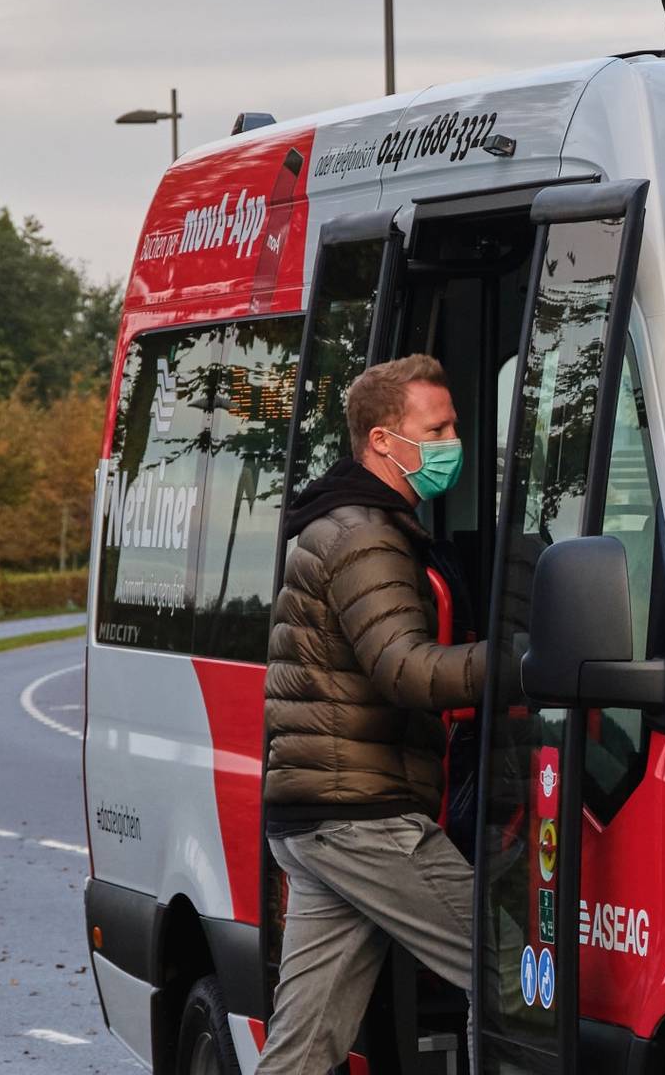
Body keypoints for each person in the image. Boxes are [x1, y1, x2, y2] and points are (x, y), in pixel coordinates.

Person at [258, 354, 490, 1075]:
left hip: (315, 817)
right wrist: (524, 662)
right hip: (363, 819)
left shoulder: (348, 522)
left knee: (302, 1050)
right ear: (384, 441)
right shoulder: (364, 534)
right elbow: (406, 669)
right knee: (515, 975)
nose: (455, 441)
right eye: (439, 427)